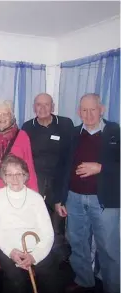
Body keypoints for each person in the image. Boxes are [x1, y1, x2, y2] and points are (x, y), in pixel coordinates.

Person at [55, 94, 120, 293]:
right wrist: (59, 198)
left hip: (105, 201)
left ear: (102, 109)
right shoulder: (72, 133)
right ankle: (84, 280)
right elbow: (63, 167)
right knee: (77, 243)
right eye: (84, 110)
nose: (89, 114)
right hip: (74, 198)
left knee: (109, 248)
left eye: (93, 109)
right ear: (78, 112)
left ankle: (113, 287)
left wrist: (101, 167)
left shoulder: (115, 132)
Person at [0, 154, 60, 293]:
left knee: (50, 279)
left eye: (19, 174)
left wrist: (35, 256)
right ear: (4, 177)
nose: (14, 179)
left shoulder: (36, 198)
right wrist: (11, 252)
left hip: (34, 246)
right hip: (7, 246)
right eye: (9, 174)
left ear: (25, 176)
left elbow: (47, 232)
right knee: (17, 281)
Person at [22, 93, 74, 261]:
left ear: (53, 107)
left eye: (46, 105)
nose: (42, 108)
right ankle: (37, 266)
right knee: (35, 228)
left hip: (58, 188)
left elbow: (70, 159)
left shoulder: (65, 124)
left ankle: (57, 271)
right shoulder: (27, 127)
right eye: (38, 105)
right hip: (34, 187)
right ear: (33, 107)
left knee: (57, 231)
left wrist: (62, 196)